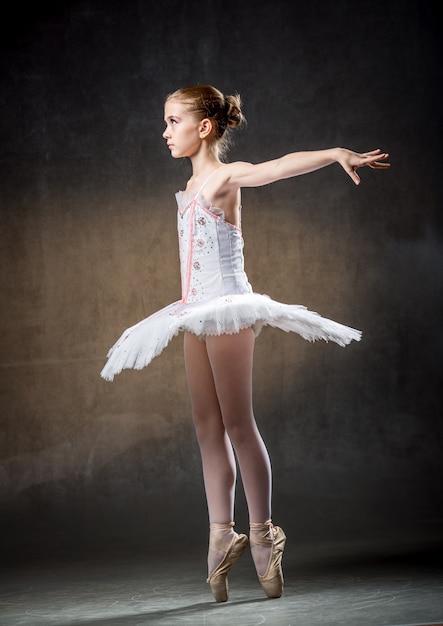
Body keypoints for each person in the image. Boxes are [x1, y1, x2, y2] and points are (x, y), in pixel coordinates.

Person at [100, 84, 389, 602]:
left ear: (203, 128)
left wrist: (333, 154)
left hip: (229, 309)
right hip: (193, 312)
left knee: (237, 423)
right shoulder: (187, 193)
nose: (164, 132)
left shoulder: (221, 179)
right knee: (206, 425)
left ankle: (261, 531)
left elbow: (277, 166)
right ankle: (220, 534)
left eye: (172, 122)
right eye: (165, 122)